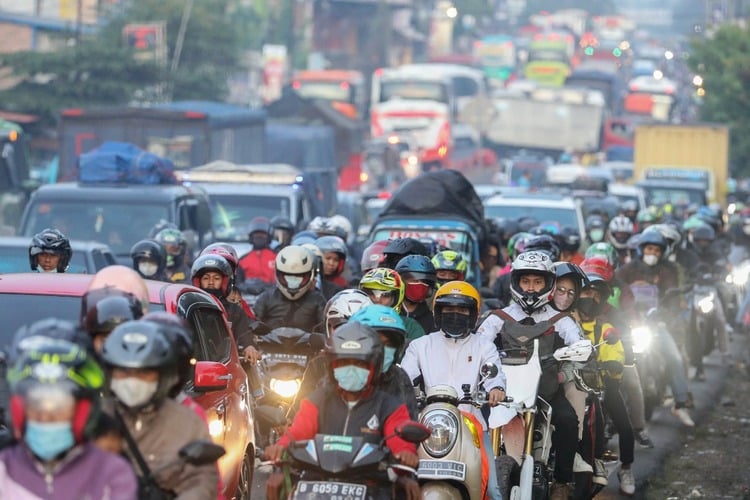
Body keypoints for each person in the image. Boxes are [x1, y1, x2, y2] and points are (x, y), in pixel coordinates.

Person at [264, 322, 421, 500]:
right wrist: (280, 447)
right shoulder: (317, 399)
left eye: (359, 363)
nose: (351, 368)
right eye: (344, 362)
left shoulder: (390, 405)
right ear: (332, 366)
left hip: (372, 486)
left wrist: (405, 453)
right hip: (316, 486)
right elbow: (299, 431)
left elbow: (399, 438)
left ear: (374, 367)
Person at [476, 250, 582, 500]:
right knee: (472, 422)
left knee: (568, 421)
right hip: (501, 392)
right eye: (526, 282)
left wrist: (578, 351)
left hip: (544, 389)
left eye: (537, 282)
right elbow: (478, 345)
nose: (531, 288)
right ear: (516, 283)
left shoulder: (560, 320)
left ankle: (562, 482)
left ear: (548, 284)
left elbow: (577, 342)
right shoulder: (497, 318)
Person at [400, 281, 506, 500]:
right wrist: (400, 389)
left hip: (472, 424)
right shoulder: (420, 345)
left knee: (493, 490)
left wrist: (496, 389)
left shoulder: (484, 345)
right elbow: (404, 378)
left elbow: (494, 375)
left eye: (462, 310)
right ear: (438, 312)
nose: (455, 314)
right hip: (427, 423)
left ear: (473, 314)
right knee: (398, 476)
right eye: (448, 309)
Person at [0, 337, 138, 499]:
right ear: (20, 413)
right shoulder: (4, 470)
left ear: (81, 414)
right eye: (37, 409)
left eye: (59, 409)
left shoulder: (111, 473)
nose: (46, 418)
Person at [101, 320, 220, 499]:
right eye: (123, 372)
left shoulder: (187, 422)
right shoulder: (93, 417)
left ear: (162, 377)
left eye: (144, 373)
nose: (132, 382)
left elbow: (202, 480)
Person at [615, 231, 695, 427]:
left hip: (654, 324)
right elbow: (615, 289)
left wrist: (666, 313)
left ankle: (680, 403)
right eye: (649, 248)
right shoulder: (627, 269)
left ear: (662, 253)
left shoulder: (666, 271)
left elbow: (672, 298)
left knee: (674, 357)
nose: (653, 253)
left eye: (657, 250)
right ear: (642, 249)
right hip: (630, 323)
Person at [575, 272, 636, 496]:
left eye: (596, 294)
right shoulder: (566, 323)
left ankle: (626, 467)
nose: (590, 298)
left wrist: (612, 363)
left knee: (625, 425)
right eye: (586, 292)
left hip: (598, 388)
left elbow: (616, 351)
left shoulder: (605, 327)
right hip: (569, 386)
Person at [349, 305, 419, 419]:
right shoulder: (340, 373)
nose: (381, 350)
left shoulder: (399, 379)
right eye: (376, 343)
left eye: (389, 345)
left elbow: (408, 423)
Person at [191, 254, 261, 363]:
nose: (210, 282)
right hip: (195, 364)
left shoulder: (235, 310)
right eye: (206, 278)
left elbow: (244, 333)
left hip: (227, 364)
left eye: (216, 278)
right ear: (198, 281)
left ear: (224, 282)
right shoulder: (190, 307)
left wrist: (249, 346)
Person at [254, 245, 327, 333]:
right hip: (268, 346)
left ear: (310, 275)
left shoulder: (317, 300)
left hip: (308, 346)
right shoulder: (266, 298)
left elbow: (325, 329)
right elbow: (252, 326)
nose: (292, 283)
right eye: (288, 277)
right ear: (278, 274)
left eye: (299, 277)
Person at [359, 267, 425, 341]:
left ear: (396, 298)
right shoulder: (355, 322)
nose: (377, 300)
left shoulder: (410, 326)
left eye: (385, 295)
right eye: (371, 293)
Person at [81, 287, 144, 354]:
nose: (113, 347)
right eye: (105, 340)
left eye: (122, 340)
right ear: (92, 340)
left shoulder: (145, 361)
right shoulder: (82, 361)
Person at [200, 243, 255, 320]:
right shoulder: (191, 299)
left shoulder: (235, 298)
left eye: (225, 270)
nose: (211, 281)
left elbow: (251, 321)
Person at [395, 255, 438, 334]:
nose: (420, 285)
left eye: (424, 282)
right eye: (414, 280)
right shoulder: (390, 312)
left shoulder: (433, 321)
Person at [238, 217, 277, 285]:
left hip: (272, 293)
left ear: (269, 236)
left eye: (262, 234)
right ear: (251, 237)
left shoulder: (278, 257)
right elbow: (238, 283)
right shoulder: (242, 260)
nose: (259, 236)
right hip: (248, 294)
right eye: (256, 234)